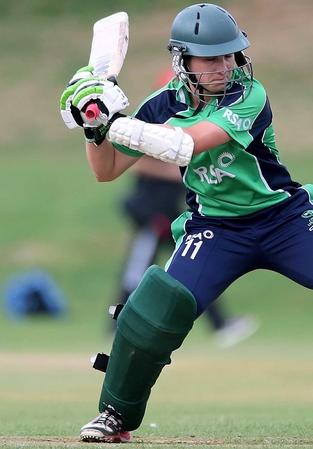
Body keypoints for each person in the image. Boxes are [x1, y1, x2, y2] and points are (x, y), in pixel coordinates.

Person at [60, 3, 313, 444]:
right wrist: (92, 124)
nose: (225, 66)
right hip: (215, 230)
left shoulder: (249, 95)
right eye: (212, 58)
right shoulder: (160, 106)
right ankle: (113, 416)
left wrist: (115, 121)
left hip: (286, 219)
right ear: (182, 61)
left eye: (230, 55)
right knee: (153, 312)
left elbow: (185, 145)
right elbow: (105, 170)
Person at [110, 68, 258, 349]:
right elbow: (135, 163)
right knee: (138, 268)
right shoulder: (152, 125)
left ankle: (221, 324)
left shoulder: (189, 127)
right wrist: (182, 168)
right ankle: (116, 323)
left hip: (170, 213)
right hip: (151, 212)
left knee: (192, 269)